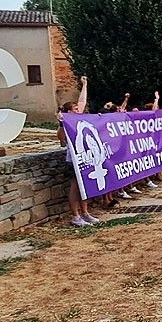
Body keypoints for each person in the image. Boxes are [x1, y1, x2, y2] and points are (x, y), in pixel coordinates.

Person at [57, 77, 99, 225]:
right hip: (73, 159)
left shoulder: (79, 121)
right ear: (69, 112)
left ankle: (85, 212)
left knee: (84, 186)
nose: (79, 110)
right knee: (75, 188)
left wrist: (85, 85)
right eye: (75, 110)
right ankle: (75, 216)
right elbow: (62, 141)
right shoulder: (64, 125)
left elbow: (82, 102)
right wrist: (62, 124)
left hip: (84, 158)